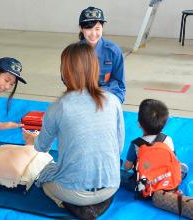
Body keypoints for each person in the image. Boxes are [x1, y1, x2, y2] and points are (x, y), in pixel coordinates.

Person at [23, 42, 124, 219]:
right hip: (111, 185)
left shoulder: (58, 107)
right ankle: (97, 203)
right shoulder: (113, 100)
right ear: (95, 68)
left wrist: (31, 140)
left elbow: (42, 148)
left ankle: (72, 205)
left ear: (65, 72)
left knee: (44, 176)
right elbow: (119, 145)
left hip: (75, 192)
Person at [121, 99, 189, 191]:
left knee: (120, 175)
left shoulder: (136, 144)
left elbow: (127, 167)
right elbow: (174, 159)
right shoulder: (167, 139)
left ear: (139, 124)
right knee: (183, 167)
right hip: (165, 178)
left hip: (145, 184)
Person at [79, 6, 126, 103]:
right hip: (82, 96)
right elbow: (68, 80)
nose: (93, 33)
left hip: (107, 96)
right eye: (89, 29)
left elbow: (120, 84)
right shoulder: (73, 52)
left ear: (102, 28)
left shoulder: (113, 51)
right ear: (81, 29)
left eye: (97, 28)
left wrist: (100, 95)